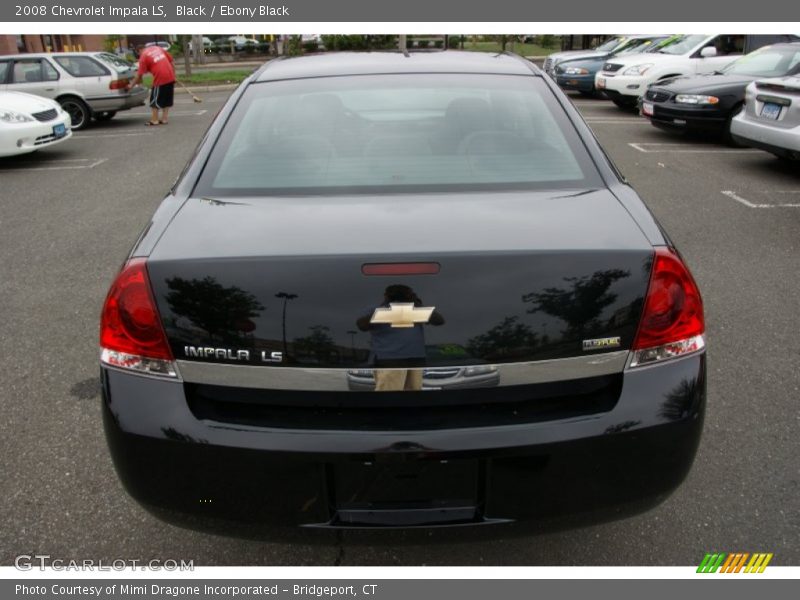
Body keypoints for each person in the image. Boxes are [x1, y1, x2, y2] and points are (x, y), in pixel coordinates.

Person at [356, 285, 445, 392]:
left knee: (414, 393)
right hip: (389, 361)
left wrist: (417, 304)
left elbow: (439, 321)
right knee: (389, 395)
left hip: (416, 359)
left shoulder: (415, 310)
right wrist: (385, 308)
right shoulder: (375, 310)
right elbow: (361, 325)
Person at [128, 44, 175, 126]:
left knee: (154, 100)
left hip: (160, 78)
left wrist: (131, 85)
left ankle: (155, 120)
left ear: (138, 51)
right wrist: (173, 75)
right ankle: (164, 119)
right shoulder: (157, 48)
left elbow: (139, 76)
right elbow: (171, 61)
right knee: (167, 100)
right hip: (170, 76)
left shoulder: (143, 57)